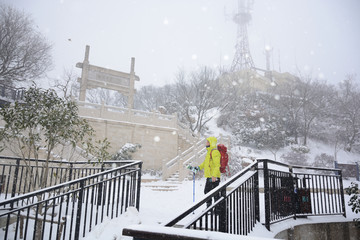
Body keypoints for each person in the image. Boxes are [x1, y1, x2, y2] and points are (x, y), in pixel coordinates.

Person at [190, 136, 221, 209]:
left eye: (207, 142)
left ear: (211, 143)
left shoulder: (215, 152)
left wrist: (214, 175)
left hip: (214, 177)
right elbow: (204, 164)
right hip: (210, 177)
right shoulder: (209, 152)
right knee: (208, 192)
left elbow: (217, 165)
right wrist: (197, 168)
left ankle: (217, 209)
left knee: (213, 193)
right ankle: (210, 208)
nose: (206, 143)